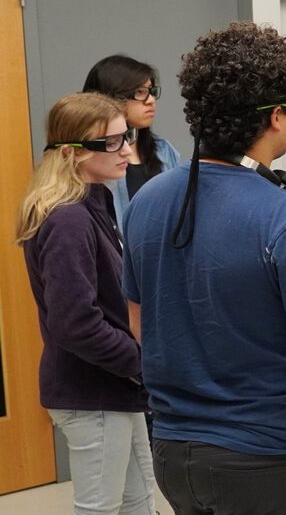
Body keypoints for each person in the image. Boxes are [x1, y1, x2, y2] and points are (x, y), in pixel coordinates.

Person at [120, 22, 286, 515]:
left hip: (174, 454)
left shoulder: (147, 200)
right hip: (273, 463)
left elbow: (140, 325)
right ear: (277, 115)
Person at [17, 92, 155, 515]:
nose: (127, 150)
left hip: (113, 388)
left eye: (126, 137)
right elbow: (75, 323)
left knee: (139, 501)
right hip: (92, 392)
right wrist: (141, 361)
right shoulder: (69, 218)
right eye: (112, 142)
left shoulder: (95, 203)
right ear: (73, 153)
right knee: (100, 508)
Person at [83, 54, 181, 230]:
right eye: (139, 92)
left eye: (151, 91)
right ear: (110, 97)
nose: (150, 100)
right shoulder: (93, 157)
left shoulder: (165, 151)